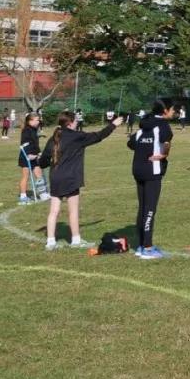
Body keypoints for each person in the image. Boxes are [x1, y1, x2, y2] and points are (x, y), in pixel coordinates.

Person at [40, 110, 121, 250]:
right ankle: (76, 240)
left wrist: (41, 159)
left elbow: (43, 163)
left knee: (54, 211)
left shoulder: (53, 138)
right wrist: (113, 125)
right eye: (76, 120)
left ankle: (50, 241)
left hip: (56, 178)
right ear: (70, 123)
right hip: (71, 178)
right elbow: (99, 136)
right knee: (73, 210)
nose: (77, 122)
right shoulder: (77, 136)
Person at [129, 99, 176, 259]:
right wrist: (164, 154)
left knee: (142, 207)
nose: (174, 112)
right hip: (152, 172)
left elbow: (131, 143)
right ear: (165, 111)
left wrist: (144, 148)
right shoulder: (163, 125)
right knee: (150, 209)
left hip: (138, 169)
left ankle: (141, 245)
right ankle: (148, 249)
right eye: (172, 109)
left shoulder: (144, 126)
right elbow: (167, 141)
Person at [17, 112, 49, 203]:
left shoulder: (33, 129)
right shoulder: (27, 130)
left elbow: (34, 141)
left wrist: (38, 153)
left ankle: (43, 194)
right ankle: (23, 197)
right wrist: (29, 155)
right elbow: (25, 143)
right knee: (25, 176)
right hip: (26, 156)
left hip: (34, 156)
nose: (39, 121)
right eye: (37, 120)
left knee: (39, 175)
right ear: (30, 121)